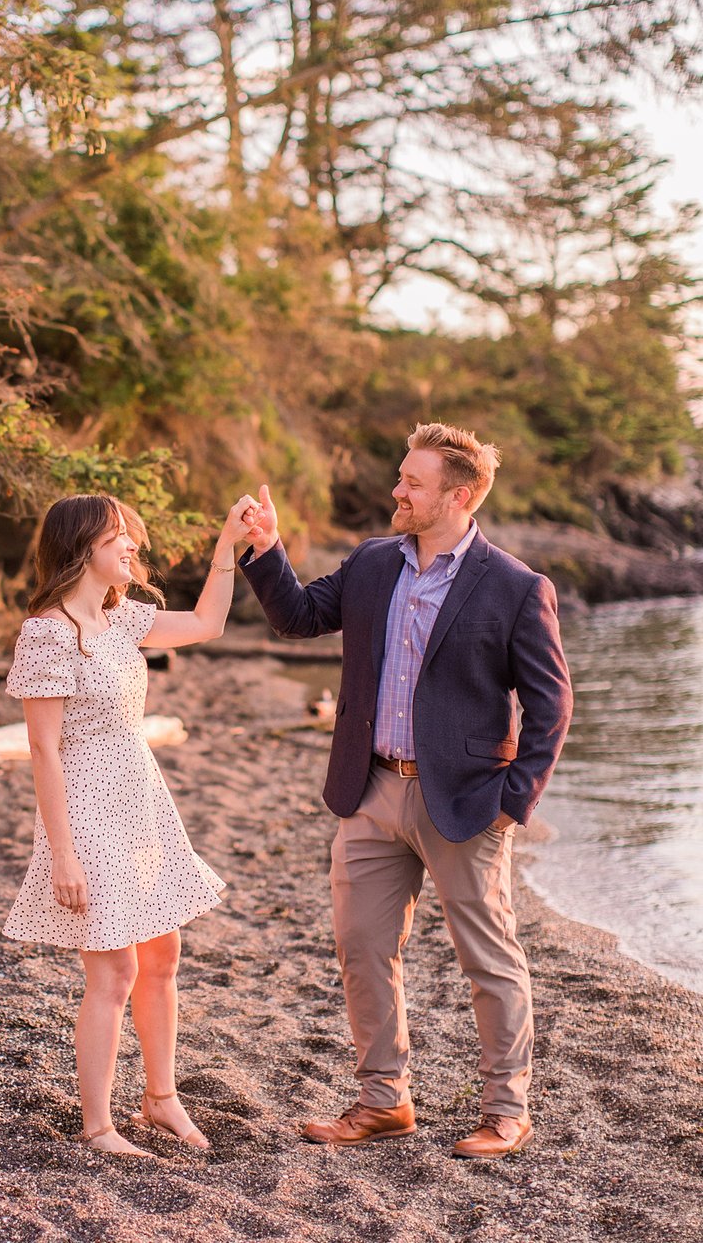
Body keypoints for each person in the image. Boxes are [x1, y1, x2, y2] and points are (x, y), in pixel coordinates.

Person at [240, 422, 573, 1159]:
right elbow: (297, 617)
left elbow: (552, 707)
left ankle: (505, 1111)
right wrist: (266, 548)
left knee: (489, 959)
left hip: (464, 803)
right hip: (369, 790)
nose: (397, 491)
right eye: (401, 478)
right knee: (361, 947)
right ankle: (384, 1102)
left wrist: (513, 803)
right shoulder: (371, 563)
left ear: (457, 497)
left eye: (412, 483)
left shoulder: (518, 589)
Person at [4, 491, 259, 1155]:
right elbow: (43, 750)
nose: (133, 547)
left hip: (140, 801)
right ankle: (97, 1127)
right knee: (113, 970)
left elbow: (206, 624)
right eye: (120, 536)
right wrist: (62, 854)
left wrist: (227, 547)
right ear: (84, 546)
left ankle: (160, 1100)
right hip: (85, 809)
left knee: (163, 955)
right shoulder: (46, 633)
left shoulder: (120, 621)